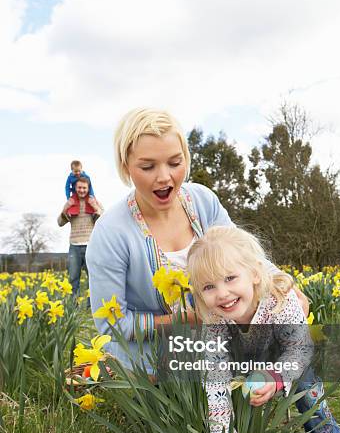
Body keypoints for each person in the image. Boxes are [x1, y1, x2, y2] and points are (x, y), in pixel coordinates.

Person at [86, 107, 309, 372]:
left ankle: (300, 406)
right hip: (155, 354)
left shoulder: (203, 201)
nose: (164, 177)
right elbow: (114, 325)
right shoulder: (110, 233)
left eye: (175, 162)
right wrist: (188, 319)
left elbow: (246, 258)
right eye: (148, 166)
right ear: (126, 166)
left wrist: (284, 286)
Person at [186, 225, 340, 433]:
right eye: (209, 286)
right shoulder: (214, 318)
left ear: (254, 273)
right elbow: (216, 381)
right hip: (243, 358)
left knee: (308, 389)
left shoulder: (280, 299)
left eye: (230, 278)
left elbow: (300, 349)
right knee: (238, 394)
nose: (222, 293)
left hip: (286, 355)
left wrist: (276, 377)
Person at [58, 177, 103, 296]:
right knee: (73, 277)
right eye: (79, 187)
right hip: (74, 246)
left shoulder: (94, 202)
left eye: (84, 188)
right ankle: (73, 306)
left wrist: (96, 208)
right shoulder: (70, 202)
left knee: (93, 277)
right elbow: (60, 223)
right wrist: (65, 209)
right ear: (75, 188)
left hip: (91, 245)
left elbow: (104, 220)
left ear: (88, 188)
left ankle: (92, 305)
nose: (82, 190)